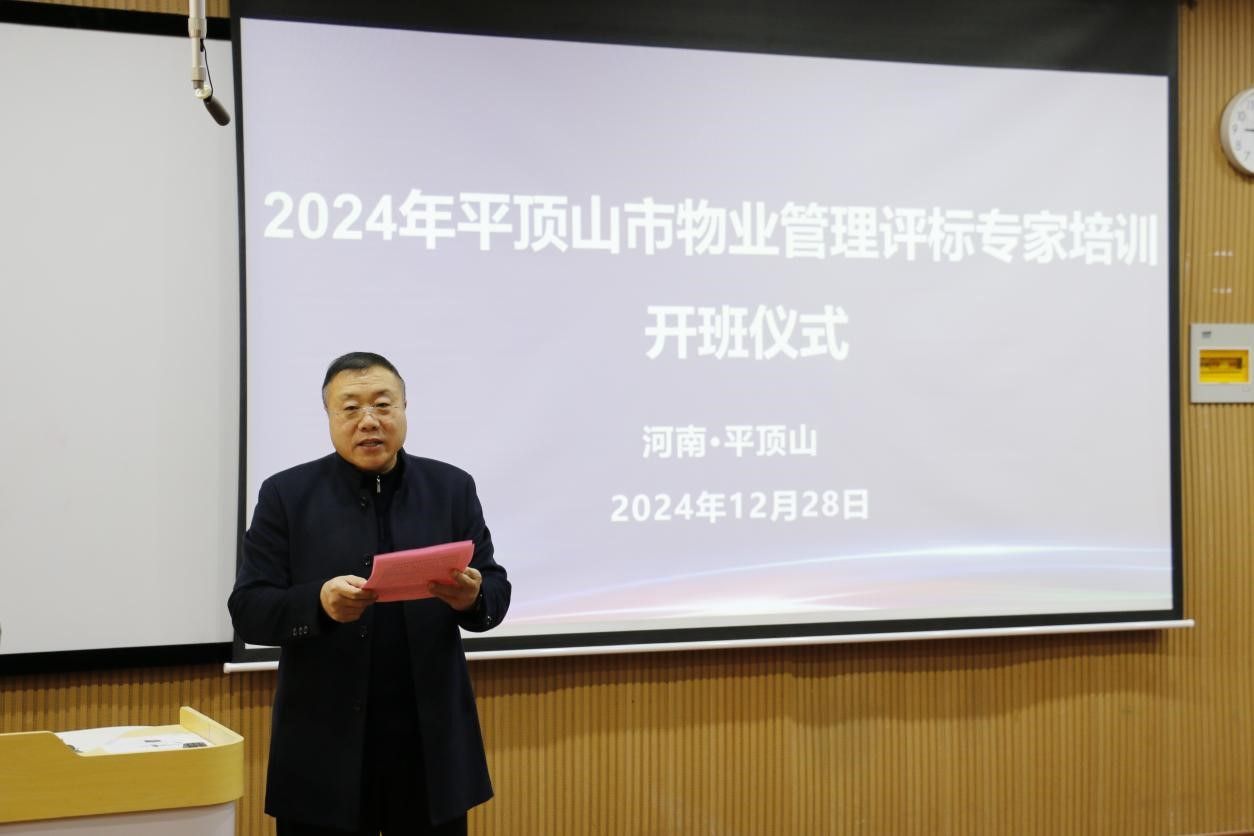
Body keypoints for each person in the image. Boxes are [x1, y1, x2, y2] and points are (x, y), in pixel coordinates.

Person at [229, 351, 510, 835]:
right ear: (329, 416)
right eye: (351, 408)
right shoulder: (286, 495)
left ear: (404, 408)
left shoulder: (450, 488)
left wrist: (473, 598)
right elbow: (248, 608)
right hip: (324, 750)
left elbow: (495, 590)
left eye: (383, 405)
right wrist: (318, 603)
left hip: (428, 748)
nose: (369, 421)